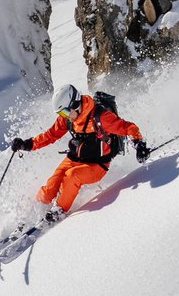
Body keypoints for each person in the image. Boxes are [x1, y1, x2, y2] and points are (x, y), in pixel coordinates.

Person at [12, 83, 150, 222]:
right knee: (50, 188)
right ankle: (38, 207)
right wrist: (27, 144)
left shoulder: (100, 117)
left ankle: (59, 210)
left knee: (72, 176)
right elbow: (51, 135)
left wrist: (139, 143)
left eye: (65, 112)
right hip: (74, 159)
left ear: (76, 104)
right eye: (61, 114)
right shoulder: (68, 119)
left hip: (97, 165)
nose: (64, 117)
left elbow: (127, 127)